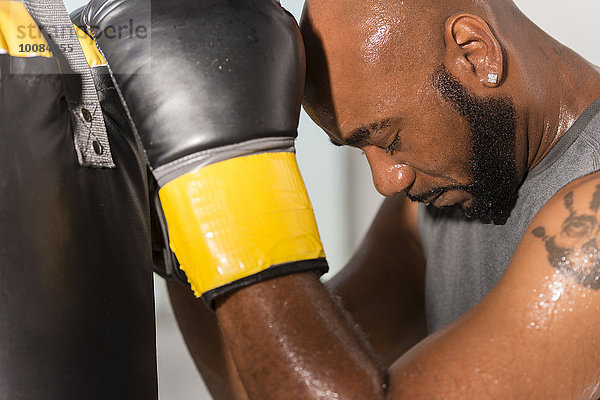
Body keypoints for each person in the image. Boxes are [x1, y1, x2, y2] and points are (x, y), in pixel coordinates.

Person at [164, 0, 600, 398]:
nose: (386, 182)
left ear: (474, 53)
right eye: (359, 150)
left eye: (389, 139)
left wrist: (225, 164)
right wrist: (169, 190)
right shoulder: (433, 208)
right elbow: (261, 382)